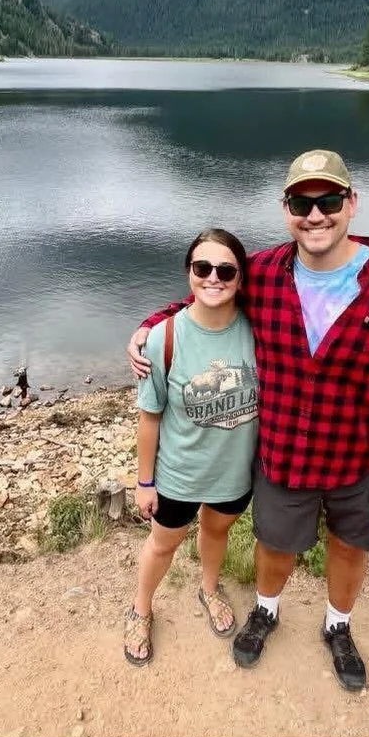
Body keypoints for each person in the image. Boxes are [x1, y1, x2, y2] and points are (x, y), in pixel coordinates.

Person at [127, 150, 369, 691]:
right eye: (302, 202)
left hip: (359, 461)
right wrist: (151, 326)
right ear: (286, 208)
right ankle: (266, 610)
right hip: (283, 455)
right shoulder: (266, 274)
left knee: (349, 546)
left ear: (352, 204)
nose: (315, 216)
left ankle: (338, 626)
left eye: (329, 201)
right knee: (274, 543)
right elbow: (208, 296)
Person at [123, 228, 259, 667]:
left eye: (225, 269)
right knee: (163, 544)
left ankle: (209, 588)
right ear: (189, 273)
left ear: (240, 277)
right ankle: (140, 608)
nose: (213, 278)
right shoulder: (164, 338)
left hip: (235, 472)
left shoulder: (257, 330)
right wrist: (145, 482)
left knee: (216, 532)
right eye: (203, 268)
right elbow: (150, 416)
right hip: (179, 474)